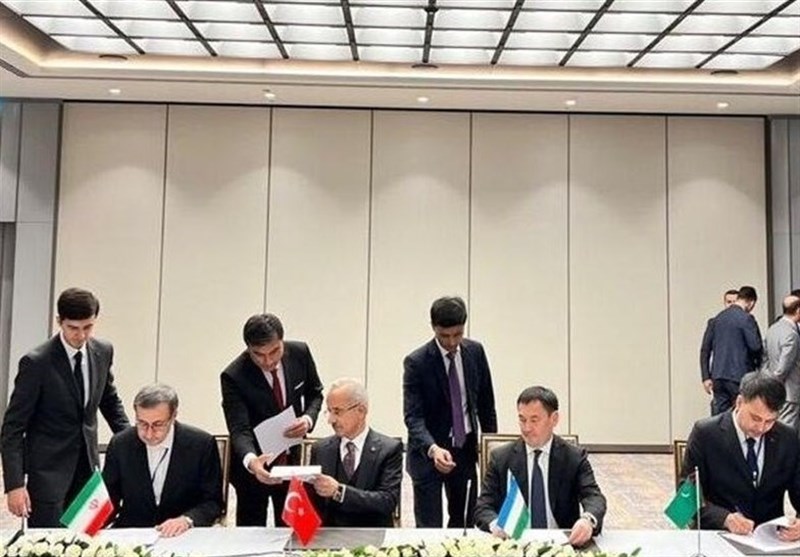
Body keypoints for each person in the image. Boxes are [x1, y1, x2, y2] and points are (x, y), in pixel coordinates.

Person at [0, 288, 129, 527]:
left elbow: (110, 402)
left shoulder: (103, 351)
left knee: (90, 538)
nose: (81, 335)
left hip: (89, 469)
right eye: (73, 328)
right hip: (48, 475)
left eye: (88, 327)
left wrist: (132, 441)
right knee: (48, 543)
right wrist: (14, 484)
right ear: (59, 321)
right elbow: (12, 428)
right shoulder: (36, 363)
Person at [220, 313, 324, 526]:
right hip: (254, 466)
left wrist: (307, 419)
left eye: (274, 351)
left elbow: (315, 393)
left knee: (294, 528)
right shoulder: (233, 376)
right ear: (248, 349)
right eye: (258, 355)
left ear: (282, 341)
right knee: (252, 531)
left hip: (292, 461)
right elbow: (239, 429)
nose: (268, 361)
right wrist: (252, 461)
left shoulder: (300, 353)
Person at [403, 296, 497, 528]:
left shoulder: (475, 352)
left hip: (464, 450)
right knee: (429, 528)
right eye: (444, 336)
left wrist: (490, 449)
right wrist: (433, 449)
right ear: (433, 327)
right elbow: (413, 417)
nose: (452, 342)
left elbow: (486, 404)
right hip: (428, 453)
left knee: (465, 522)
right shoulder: (416, 362)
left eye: (458, 334)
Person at [475, 386, 606, 547]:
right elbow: (483, 507)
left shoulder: (573, 457)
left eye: (534, 420)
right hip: (514, 544)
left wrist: (587, 520)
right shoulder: (501, 458)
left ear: (554, 419)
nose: (527, 428)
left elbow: (594, 497)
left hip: (562, 546)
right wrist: (495, 524)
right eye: (522, 420)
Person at [681, 371, 800, 540]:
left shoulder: (787, 438)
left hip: (771, 539)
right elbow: (685, 501)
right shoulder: (706, 434)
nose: (761, 428)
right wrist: (724, 519)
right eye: (755, 418)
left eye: (770, 421)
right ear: (739, 402)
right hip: (718, 536)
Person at [103, 383, 222, 535]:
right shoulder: (120, 444)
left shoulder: (201, 444)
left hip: (182, 535)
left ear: (173, 416)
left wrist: (186, 520)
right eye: (142, 423)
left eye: (158, 425)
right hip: (133, 533)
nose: (149, 434)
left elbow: (213, 502)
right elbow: (108, 499)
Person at [309, 378, 402, 527]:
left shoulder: (389, 449)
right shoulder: (320, 449)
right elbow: (312, 503)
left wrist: (339, 492)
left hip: (372, 535)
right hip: (330, 537)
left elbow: (387, 501)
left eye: (337, 412)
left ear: (361, 411)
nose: (331, 420)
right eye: (329, 411)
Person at [700, 286, 763, 415]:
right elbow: (755, 346)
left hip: (718, 375)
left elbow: (705, 349)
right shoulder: (746, 318)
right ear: (751, 302)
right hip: (740, 375)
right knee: (742, 413)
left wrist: (706, 376)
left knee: (720, 416)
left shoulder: (717, 319)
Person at [763, 295, 800, 430]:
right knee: (788, 429)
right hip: (789, 390)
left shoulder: (773, 329)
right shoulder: (792, 334)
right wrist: (775, 383)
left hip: (774, 386)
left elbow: (765, 358)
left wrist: (768, 380)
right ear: (798, 310)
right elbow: (784, 366)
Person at [700, 289, 739, 403]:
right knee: (720, 411)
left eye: (734, 302)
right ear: (724, 303)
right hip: (719, 377)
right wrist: (706, 377)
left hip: (739, 377)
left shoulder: (744, 322)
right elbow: (705, 350)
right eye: (729, 302)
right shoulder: (715, 322)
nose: (731, 305)